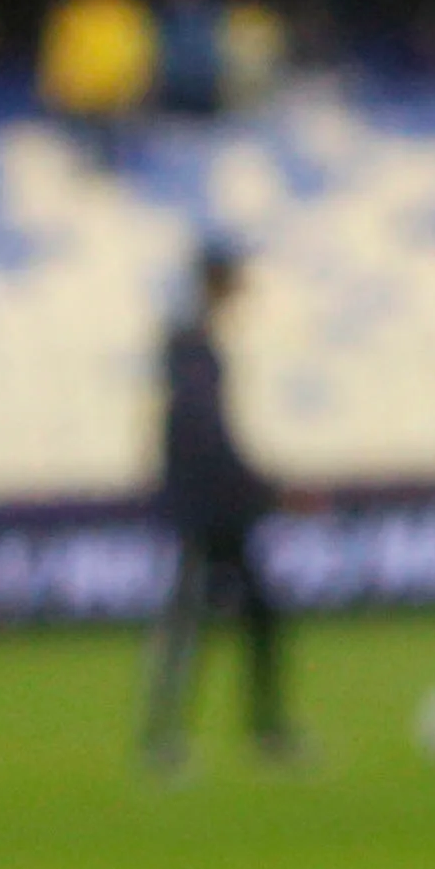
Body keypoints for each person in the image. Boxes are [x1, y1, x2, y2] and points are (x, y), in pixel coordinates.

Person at [138, 245, 296, 775]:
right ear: (217, 283)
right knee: (197, 621)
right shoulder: (192, 344)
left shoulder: (191, 340)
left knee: (254, 615)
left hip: (213, 504)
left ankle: (262, 732)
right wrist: (253, 484)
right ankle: (166, 740)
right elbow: (199, 428)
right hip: (207, 509)